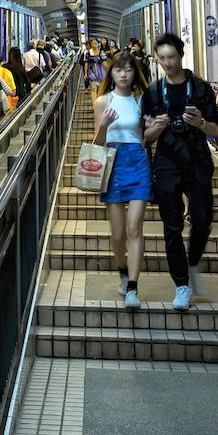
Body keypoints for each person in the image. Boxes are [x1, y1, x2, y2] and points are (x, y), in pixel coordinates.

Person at [140, 33, 218, 311]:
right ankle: (181, 285)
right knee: (171, 226)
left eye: (171, 57)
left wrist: (200, 124)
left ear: (181, 54)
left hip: (197, 160)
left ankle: (193, 260)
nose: (167, 63)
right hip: (166, 163)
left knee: (203, 220)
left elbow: (216, 129)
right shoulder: (152, 92)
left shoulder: (200, 88)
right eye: (161, 58)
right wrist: (156, 128)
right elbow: (145, 137)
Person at [93, 53, 153, 309]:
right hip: (113, 162)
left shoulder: (142, 100)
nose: (124, 75)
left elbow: (147, 138)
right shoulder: (102, 101)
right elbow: (96, 144)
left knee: (133, 229)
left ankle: (132, 286)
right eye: (119, 70)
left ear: (134, 73)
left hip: (137, 161)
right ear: (112, 73)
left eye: (129, 70)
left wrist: (151, 128)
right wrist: (104, 125)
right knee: (117, 234)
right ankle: (121, 269)